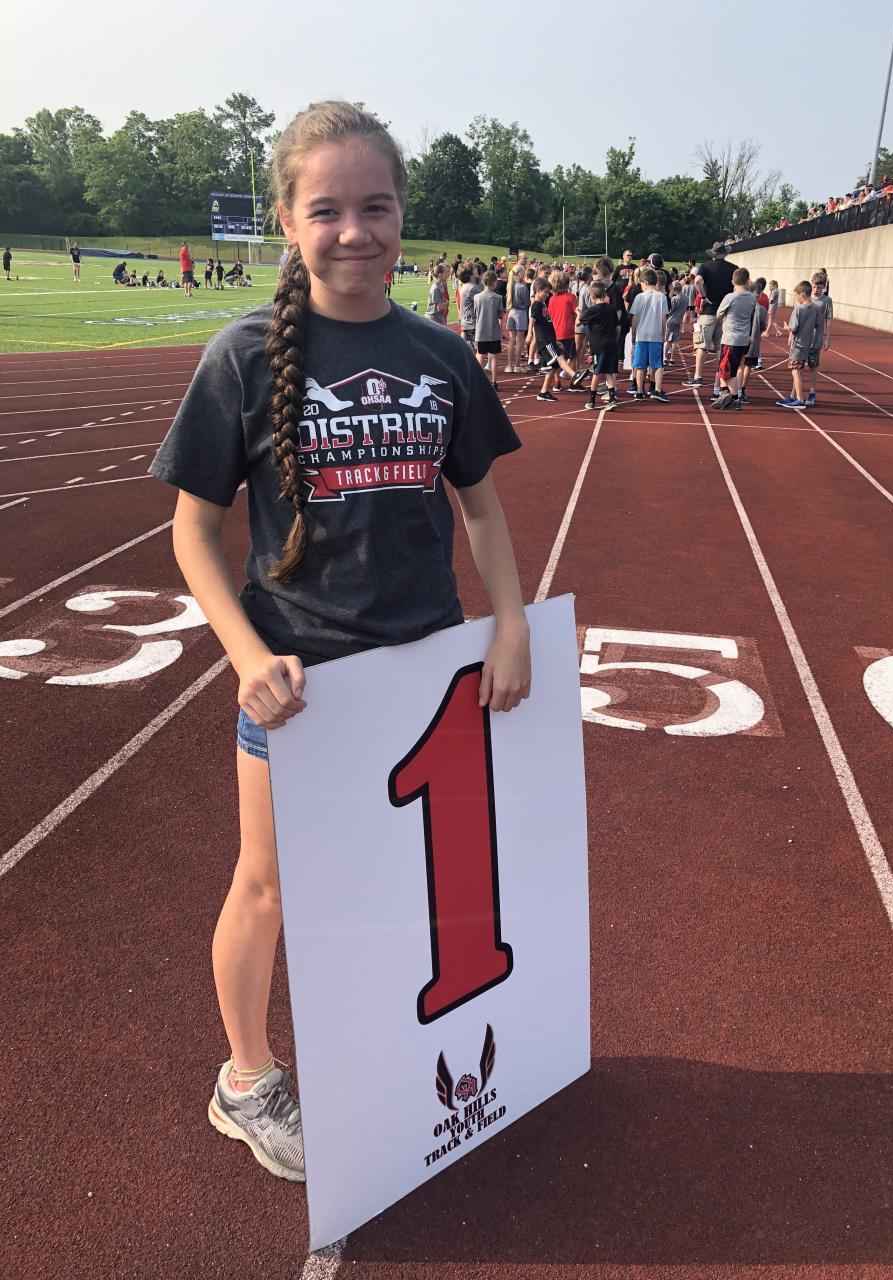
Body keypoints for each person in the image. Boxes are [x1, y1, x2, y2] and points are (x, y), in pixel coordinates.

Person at [148, 99, 531, 1185]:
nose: (355, 231)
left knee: (400, 884)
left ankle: (385, 1058)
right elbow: (191, 531)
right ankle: (246, 1080)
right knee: (268, 888)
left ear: (404, 215)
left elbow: (482, 508)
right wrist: (245, 657)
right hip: (299, 688)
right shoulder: (241, 356)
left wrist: (509, 620)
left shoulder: (442, 354)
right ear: (286, 220)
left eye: (377, 206)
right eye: (327, 210)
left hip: (423, 679)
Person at [682, 242, 738, 392]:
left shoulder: (706, 267)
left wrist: (703, 296)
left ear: (713, 254)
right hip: (725, 313)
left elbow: (698, 280)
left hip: (708, 311)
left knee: (701, 345)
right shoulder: (733, 268)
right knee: (721, 347)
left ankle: (698, 377)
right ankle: (719, 383)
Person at [530, 278, 587, 402]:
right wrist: (529, 334)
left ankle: (543, 392)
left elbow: (548, 324)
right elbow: (532, 319)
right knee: (560, 357)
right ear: (538, 290)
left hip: (550, 339)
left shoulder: (543, 304)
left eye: (548, 292)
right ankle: (574, 375)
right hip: (545, 341)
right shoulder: (536, 304)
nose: (547, 295)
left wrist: (555, 340)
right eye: (545, 292)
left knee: (554, 367)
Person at [712, 268, 757, 411]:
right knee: (732, 368)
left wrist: (726, 316)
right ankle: (728, 395)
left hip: (730, 339)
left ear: (733, 281)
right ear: (747, 281)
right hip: (743, 339)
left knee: (726, 370)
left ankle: (730, 396)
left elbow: (718, 315)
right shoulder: (752, 298)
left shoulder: (731, 297)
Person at [777, 280, 823, 408]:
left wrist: (786, 327)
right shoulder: (816, 308)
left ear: (802, 294)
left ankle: (799, 399)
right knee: (798, 370)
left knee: (795, 371)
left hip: (798, 345)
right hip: (808, 344)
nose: (796, 298)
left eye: (796, 296)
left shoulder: (798, 309)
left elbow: (793, 327)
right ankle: (793, 396)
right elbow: (818, 325)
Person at [577, 279, 620, 411]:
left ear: (592, 296)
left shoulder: (592, 311)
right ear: (605, 294)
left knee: (597, 372)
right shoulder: (612, 309)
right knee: (610, 372)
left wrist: (578, 312)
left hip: (599, 347)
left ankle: (592, 401)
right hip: (612, 344)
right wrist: (615, 339)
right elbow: (618, 328)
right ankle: (612, 399)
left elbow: (578, 322)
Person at [629, 268, 670, 402]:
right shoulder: (662, 297)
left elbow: (635, 318)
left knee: (640, 365)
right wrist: (663, 333)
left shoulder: (639, 297)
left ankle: (639, 391)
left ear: (645, 282)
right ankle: (657, 390)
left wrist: (633, 334)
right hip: (656, 335)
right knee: (657, 364)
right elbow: (663, 318)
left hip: (641, 335)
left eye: (641, 283)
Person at [738, 282, 768, 404]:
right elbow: (763, 327)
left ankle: (736, 390)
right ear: (760, 294)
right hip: (752, 342)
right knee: (747, 366)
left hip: (740, 339)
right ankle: (742, 390)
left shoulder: (742, 306)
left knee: (739, 365)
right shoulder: (762, 310)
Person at [806, 271, 833, 406]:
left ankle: (812, 392)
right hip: (802, 339)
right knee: (797, 367)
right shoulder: (806, 297)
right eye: (814, 286)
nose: (816, 290)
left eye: (819, 287)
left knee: (813, 366)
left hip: (815, 340)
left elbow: (828, 319)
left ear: (824, 288)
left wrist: (827, 338)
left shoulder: (827, 301)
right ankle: (794, 394)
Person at [474, 269, 504, 386]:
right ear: (494, 282)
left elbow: (476, 313)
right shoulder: (498, 298)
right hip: (493, 332)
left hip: (480, 331)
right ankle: (494, 382)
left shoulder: (477, 297)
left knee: (480, 356)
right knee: (494, 357)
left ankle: (479, 382)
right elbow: (500, 315)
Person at [547, 269, 578, 370]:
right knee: (572, 356)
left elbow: (550, 315)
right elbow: (575, 314)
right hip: (567, 332)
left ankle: (557, 378)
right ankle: (572, 378)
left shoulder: (552, 299)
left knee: (558, 357)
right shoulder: (571, 297)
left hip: (555, 332)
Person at [504, 264, 530, 373]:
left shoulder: (510, 285)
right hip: (521, 313)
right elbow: (527, 303)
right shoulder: (522, 287)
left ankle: (510, 365)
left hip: (512, 312)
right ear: (520, 274)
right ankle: (517, 366)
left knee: (511, 340)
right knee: (519, 340)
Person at [457, 263, 481, 351]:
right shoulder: (473, 288)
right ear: (470, 274)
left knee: (468, 349)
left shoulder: (465, 286)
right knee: (479, 351)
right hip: (472, 324)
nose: (477, 270)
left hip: (467, 322)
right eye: (475, 269)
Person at [664, 281, 686, 367]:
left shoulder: (674, 299)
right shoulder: (686, 298)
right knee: (674, 341)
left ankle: (665, 357)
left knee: (668, 340)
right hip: (678, 320)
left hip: (671, 320)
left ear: (675, 290)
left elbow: (669, 310)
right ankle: (672, 359)